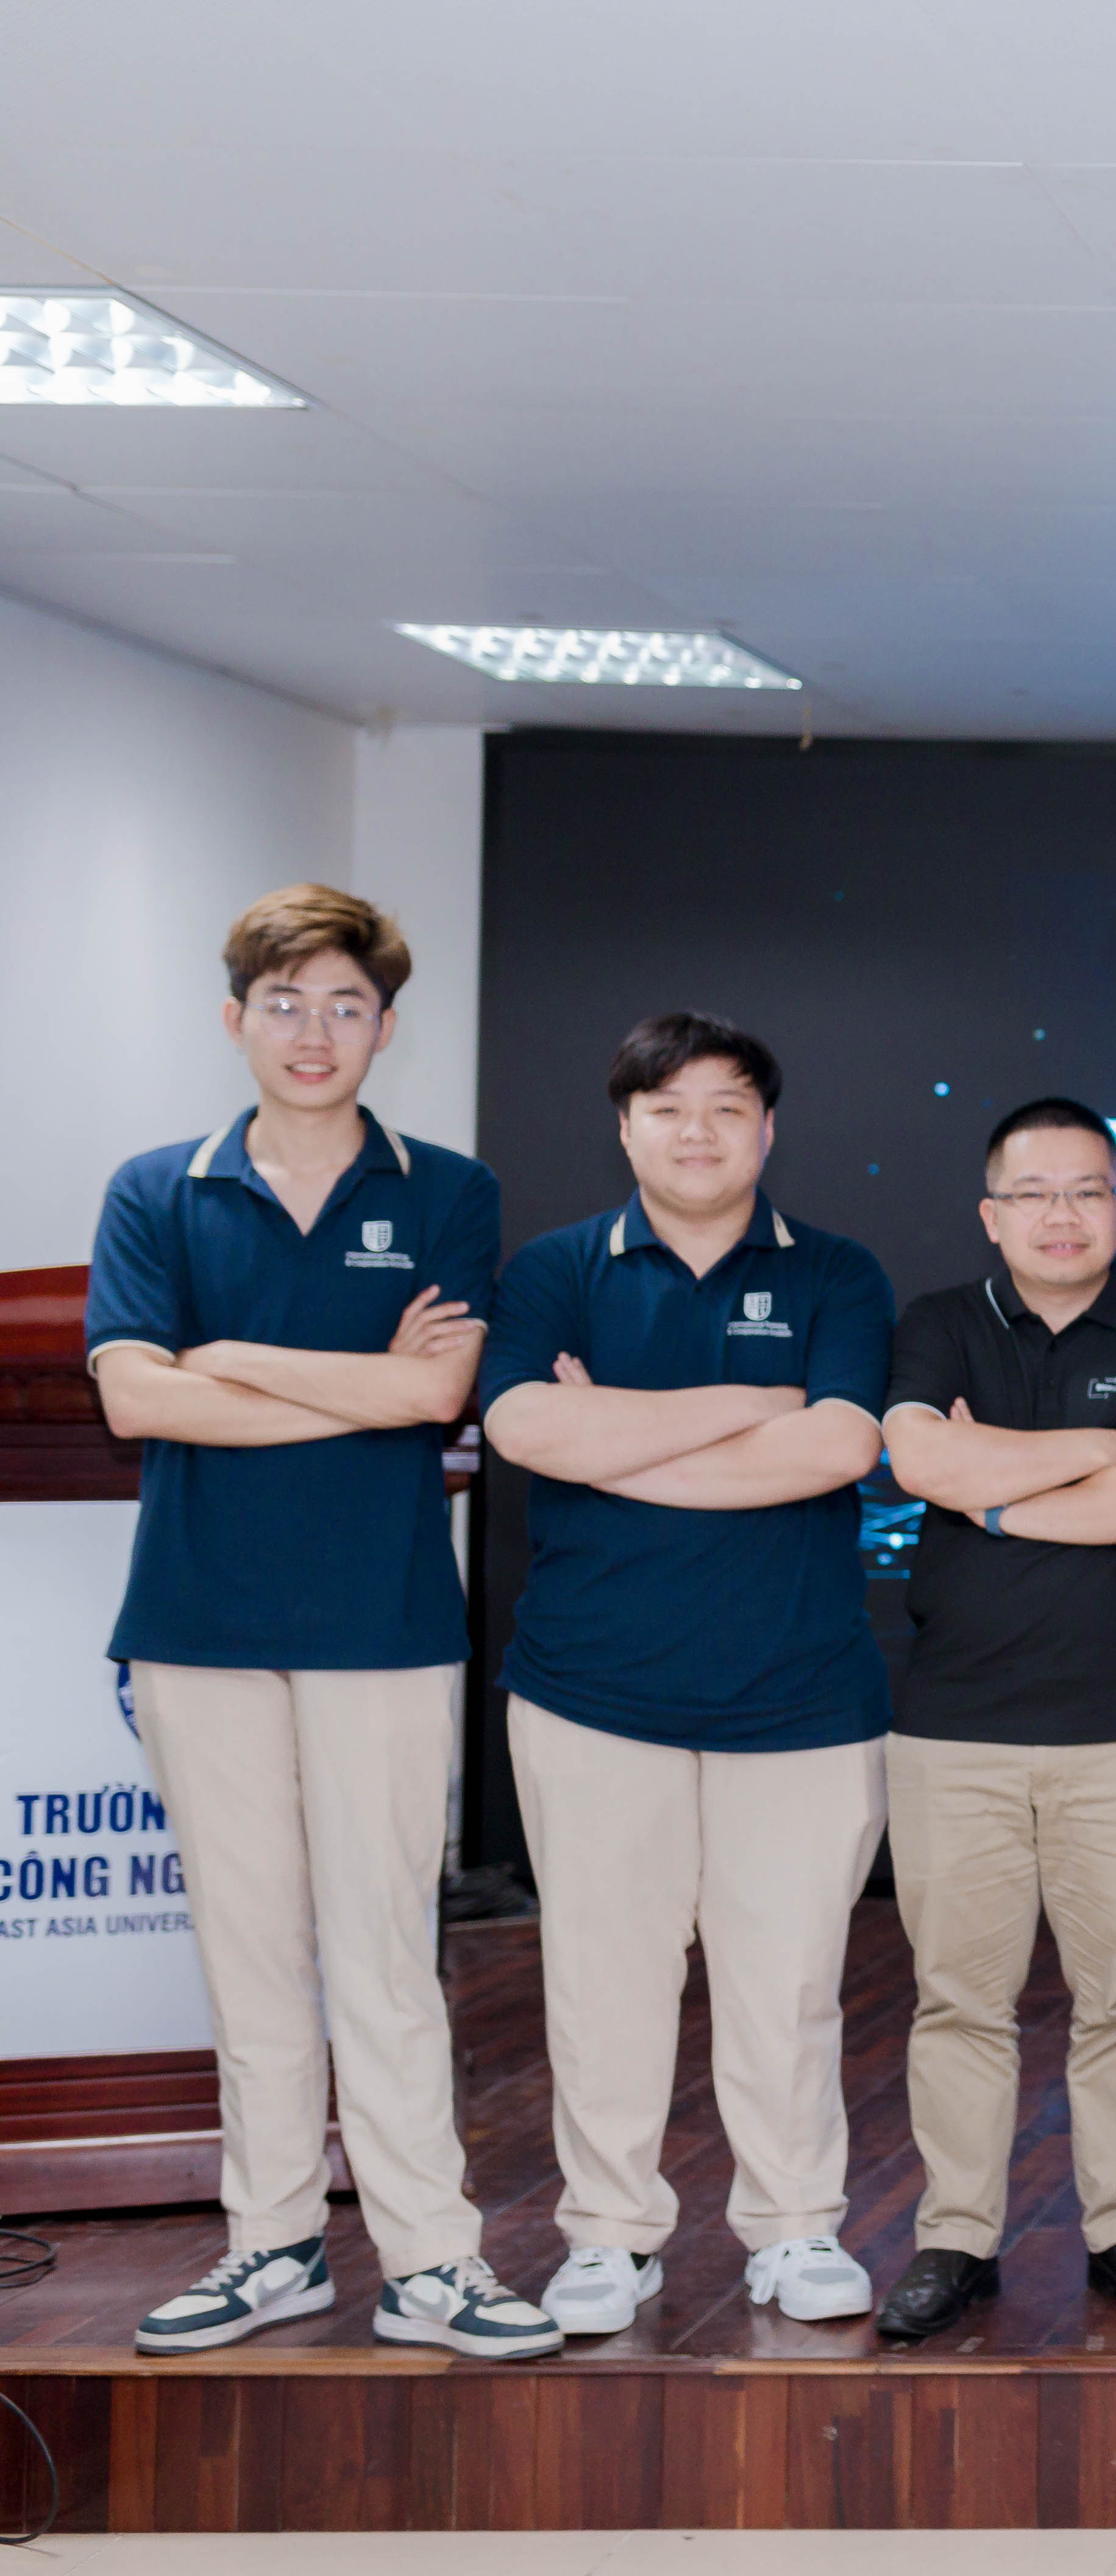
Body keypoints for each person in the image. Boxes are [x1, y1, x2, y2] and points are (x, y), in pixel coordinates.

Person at [86, 885, 557, 2361]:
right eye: (284, 1003)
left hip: (382, 1621)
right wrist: (348, 1383)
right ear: (236, 1018)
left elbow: (435, 1393)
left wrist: (228, 1358)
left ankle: (431, 2259)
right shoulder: (156, 1188)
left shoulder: (448, 1190)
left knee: (383, 1954)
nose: (314, 1031)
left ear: (385, 1027)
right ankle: (273, 2245)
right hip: (197, 1619)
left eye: (345, 1004)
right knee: (250, 1954)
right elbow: (134, 1397)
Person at [478, 1012, 896, 2333]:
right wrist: (751, 1406)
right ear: (626, 1127)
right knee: (602, 1982)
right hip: (592, 1691)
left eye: (726, 1107)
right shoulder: (556, 1269)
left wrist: (617, 1438)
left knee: (790, 1983)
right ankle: (609, 2237)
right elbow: (523, 1425)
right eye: (667, 1108)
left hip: (802, 1697)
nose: (697, 1131)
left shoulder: (836, 1272)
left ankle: (795, 2226)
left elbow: (838, 1448)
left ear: (768, 1128)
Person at [870, 1099, 1116, 2343]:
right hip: (954, 1726)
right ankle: (956, 2235)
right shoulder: (939, 1322)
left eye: (1086, 1191)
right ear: (991, 1213)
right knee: (959, 2000)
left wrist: (1000, 1485)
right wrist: (1104, 1448)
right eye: (1034, 1193)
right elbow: (924, 1465)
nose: (1062, 1216)